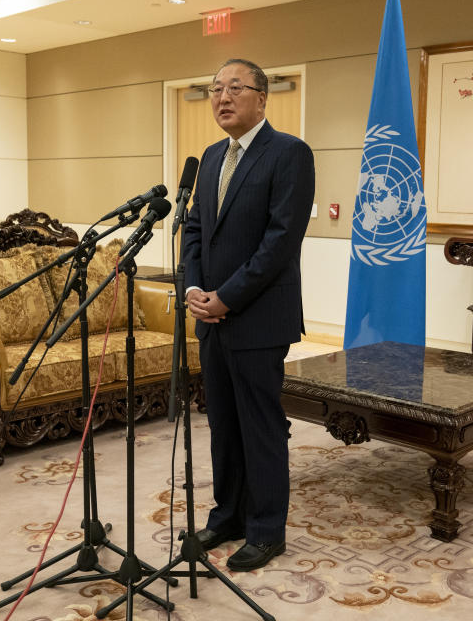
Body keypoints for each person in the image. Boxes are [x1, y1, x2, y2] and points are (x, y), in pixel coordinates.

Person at [181, 58, 315, 571]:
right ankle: (228, 515)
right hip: (210, 315)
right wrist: (194, 287)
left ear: (262, 97)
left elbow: (280, 241)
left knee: (259, 426)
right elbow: (194, 228)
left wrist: (227, 297)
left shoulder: (289, 154)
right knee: (222, 423)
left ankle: (265, 529)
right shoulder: (213, 155)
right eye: (215, 88)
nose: (223, 97)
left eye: (235, 87)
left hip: (258, 317)